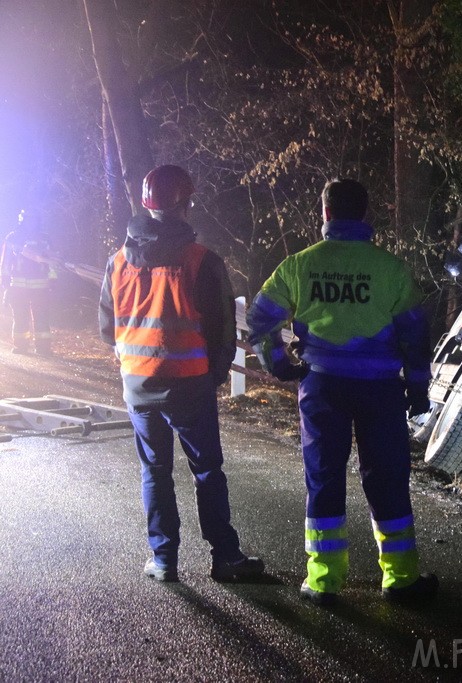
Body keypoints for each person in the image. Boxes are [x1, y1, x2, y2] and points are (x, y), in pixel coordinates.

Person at [247, 178, 437, 607]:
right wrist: (419, 388)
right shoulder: (390, 269)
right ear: (364, 214)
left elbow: (260, 320)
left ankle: (324, 581)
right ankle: (401, 579)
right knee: (387, 477)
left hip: (322, 387)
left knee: (324, 477)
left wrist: (280, 366)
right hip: (381, 390)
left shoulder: (298, 265)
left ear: (326, 213)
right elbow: (415, 334)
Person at [99, 164, 264, 584]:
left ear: (145, 204)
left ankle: (163, 559)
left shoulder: (117, 261)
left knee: (155, 470)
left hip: (138, 385)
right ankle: (225, 557)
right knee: (207, 469)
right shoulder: (202, 261)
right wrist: (216, 374)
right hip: (190, 383)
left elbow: (106, 329)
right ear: (186, 204)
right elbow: (224, 328)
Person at [1, 210, 58, 355]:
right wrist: (5, 282)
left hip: (40, 286)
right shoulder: (13, 238)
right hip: (18, 286)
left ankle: (43, 348)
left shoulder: (44, 239)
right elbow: (6, 262)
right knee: (20, 317)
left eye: (33, 220)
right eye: (28, 220)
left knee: (42, 318)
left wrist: (53, 280)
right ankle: (21, 346)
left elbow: (53, 262)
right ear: (23, 220)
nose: (31, 223)